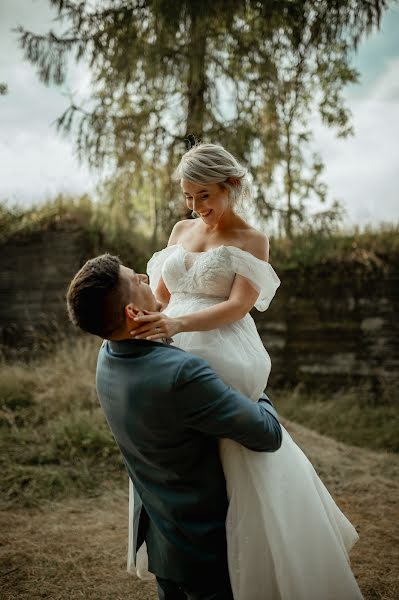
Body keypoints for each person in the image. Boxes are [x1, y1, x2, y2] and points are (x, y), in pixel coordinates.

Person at [127, 142, 364, 599]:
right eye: (190, 197)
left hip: (223, 344)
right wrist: (145, 318)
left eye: (205, 195)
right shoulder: (181, 229)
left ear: (231, 186)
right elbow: (160, 295)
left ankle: (250, 560)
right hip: (172, 342)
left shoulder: (252, 240)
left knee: (233, 447)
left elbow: (238, 307)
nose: (197, 207)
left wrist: (178, 322)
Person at [66, 254, 283, 600]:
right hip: (206, 548)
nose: (142, 275)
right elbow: (267, 434)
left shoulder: (107, 355)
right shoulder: (181, 374)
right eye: (135, 280)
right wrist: (252, 383)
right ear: (132, 314)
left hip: (161, 541)